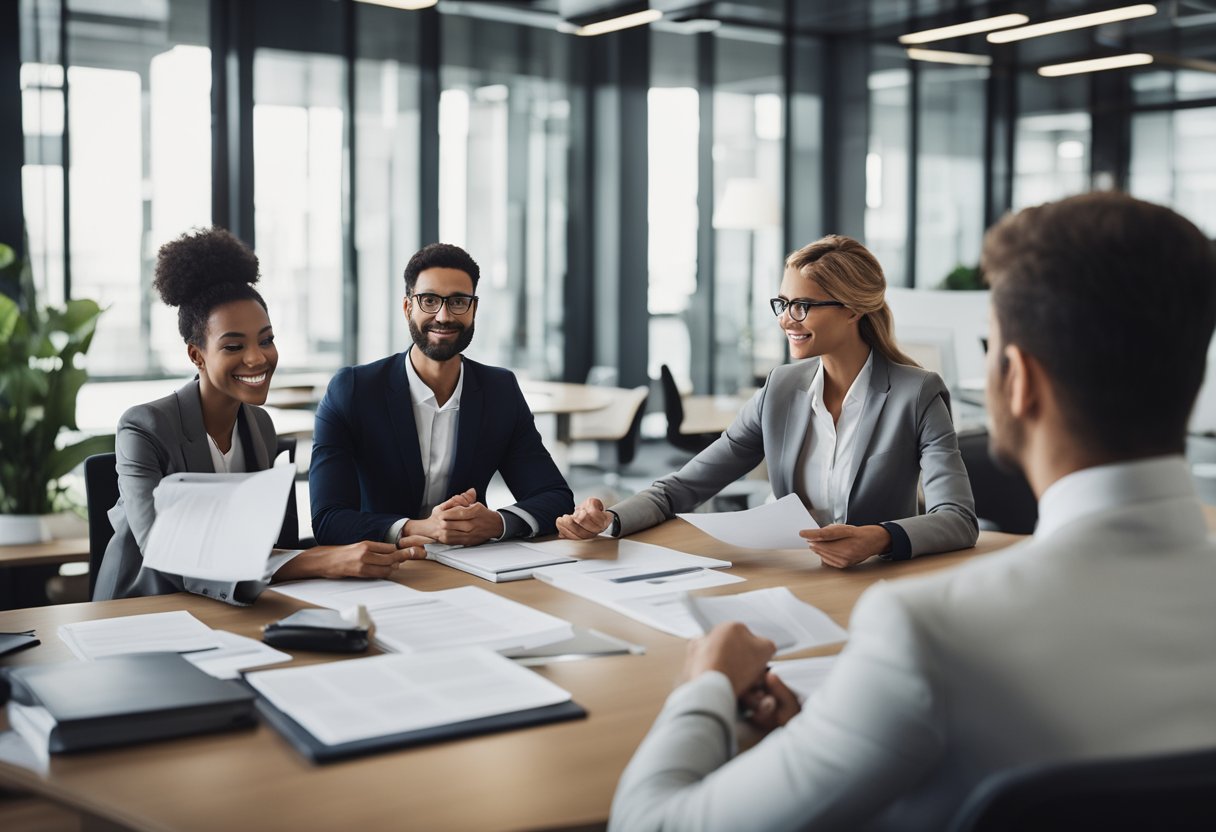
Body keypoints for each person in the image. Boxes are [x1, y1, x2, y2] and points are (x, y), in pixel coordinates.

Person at [608, 192, 1216, 831]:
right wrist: (834, 736)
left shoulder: (927, 636)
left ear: (1017, 379)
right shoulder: (784, 390)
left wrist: (708, 684)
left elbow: (653, 824)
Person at [557, 235, 978, 565]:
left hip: (874, 582)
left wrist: (880, 538)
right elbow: (680, 489)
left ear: (852, 310)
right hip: (788, 570)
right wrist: (610, 520)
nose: (785, 319)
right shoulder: (781, 389)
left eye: (801, 306)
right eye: (782, 303)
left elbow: (957, 519)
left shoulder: (916, 394)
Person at [94, 228, 424, 605]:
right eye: (234, 345)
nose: (257, 358)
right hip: (141, 609)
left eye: (266, 340)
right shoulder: (144, 428)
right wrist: (316, 561)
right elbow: (165, 554)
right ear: (196, 355)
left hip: (226, 605)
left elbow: (255, 546)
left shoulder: (260, 426)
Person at [309, 242, 573, 548]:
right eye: (429, 300)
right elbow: (328, 520)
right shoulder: (353, 390)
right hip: (382, 564)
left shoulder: (500, 390)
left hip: (471, 565)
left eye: (458, 301)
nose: (444, 316)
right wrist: (421, 529)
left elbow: (555, 496)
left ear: (474, 308)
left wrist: (497, 522)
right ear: (408, 307)